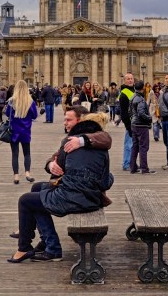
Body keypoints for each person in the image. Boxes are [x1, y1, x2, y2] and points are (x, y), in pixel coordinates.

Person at [8, 105, 114, 263]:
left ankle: (26, 246)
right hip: (92, 197)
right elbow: (105, 181)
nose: (64, 123)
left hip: (75, 198)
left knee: (26, 200)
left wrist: (60, 165)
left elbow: (61, 164)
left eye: (68, 120)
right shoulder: (100, 145)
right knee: (37, 190)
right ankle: (48, 243)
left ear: (80, 121)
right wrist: (51, 164)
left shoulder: (71, 142)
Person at [7, 79, 39, 185]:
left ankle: (16, 176)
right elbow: (34, 116)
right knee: (27, 153)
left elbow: (7, 113)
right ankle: (27, 174)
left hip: (14, 131)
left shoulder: (12, 101)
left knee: (15, 154)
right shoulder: (30, 102)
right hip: (25, 130)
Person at [128, 79, 155, 174]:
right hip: (141, 125)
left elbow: (129, 111)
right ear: (143, 88)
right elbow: (141, 113)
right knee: (143, 147)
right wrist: (150, 118)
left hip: (134, 124)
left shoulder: (132, 96)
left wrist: (133, 119)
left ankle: (133, 167)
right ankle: (144, 168)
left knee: (135, 146)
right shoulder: (140, 99)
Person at [117, 73, 136, 172]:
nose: (130, 80)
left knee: (134, 144)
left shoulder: (134, 91)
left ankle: (132, 163)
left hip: (136, 122)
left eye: (131, 78)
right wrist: (128, 126)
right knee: (129, 144)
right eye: (128, 79)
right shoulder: (124, 93)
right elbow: (123, 112)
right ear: (124, 80)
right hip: (130, 122)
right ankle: (127, 163)